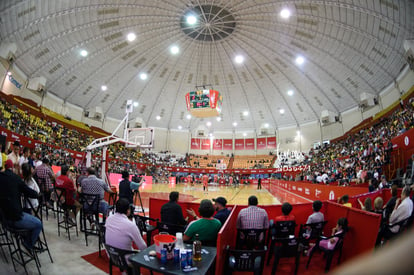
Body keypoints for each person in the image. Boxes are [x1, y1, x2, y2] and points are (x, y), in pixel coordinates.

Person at [0, 164, 42, 251]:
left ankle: (25, 238)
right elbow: (32, 193)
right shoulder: (15, 178)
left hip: (3, 219)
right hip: (14, 219)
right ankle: (28, 244)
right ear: (13, 168)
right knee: (38, 224)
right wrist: (38, 195)